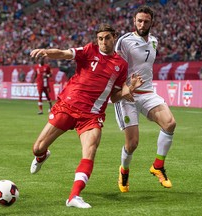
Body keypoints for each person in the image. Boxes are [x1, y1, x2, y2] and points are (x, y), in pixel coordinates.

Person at [29, 23, 144, 208]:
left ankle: (74, 196)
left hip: (91, 116)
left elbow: (114, 97)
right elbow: (65, 53)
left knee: (89, 152)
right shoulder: (89, 51)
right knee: (37, 148)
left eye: (107, 38)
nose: (103, 42)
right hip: (67, 107)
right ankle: (41, 156)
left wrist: (130, 88)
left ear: (114, 37)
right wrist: (46, 52)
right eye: (100, 38)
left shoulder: (120, 65)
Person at [112, 5, 176, 193]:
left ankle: (157, 166)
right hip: (128, 94)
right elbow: (114, 65)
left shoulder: (154, 41)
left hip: (147, 92)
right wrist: (123, 88)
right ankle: (124, 170)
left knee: (170, 123)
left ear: (151, 22)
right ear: (134, 21)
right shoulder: (124, 41)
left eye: (146, 21)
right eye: (139, 20)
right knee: (132, 144)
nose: (142, 24)